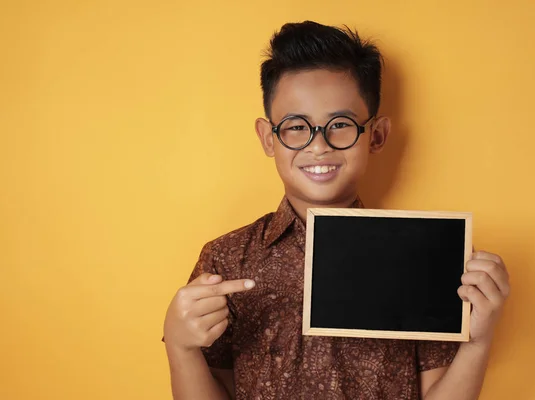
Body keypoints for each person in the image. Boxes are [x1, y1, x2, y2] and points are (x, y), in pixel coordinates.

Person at [163, 20, 510, 400]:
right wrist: (180, 346)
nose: (319, 146)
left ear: (375, 135)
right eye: (296, 127)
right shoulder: (227, 259)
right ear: (268, 137)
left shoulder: (425, 258)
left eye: (340, 124)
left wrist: (478, 341)